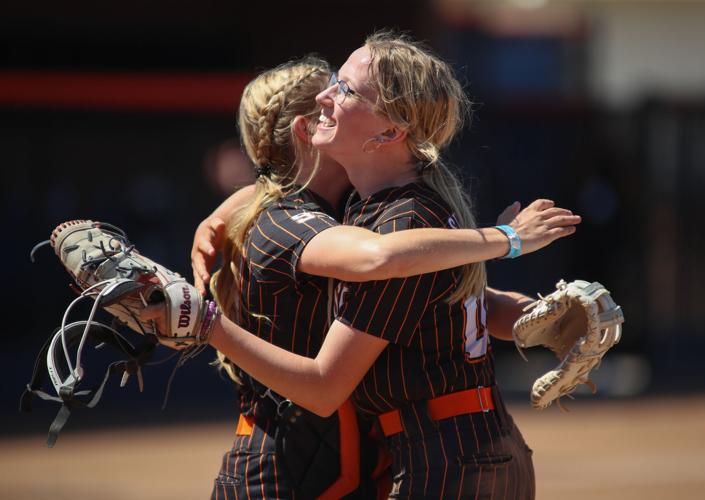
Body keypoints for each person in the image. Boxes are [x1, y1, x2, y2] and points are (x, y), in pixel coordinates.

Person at [167, 38, 579, 499]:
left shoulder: (397, 221)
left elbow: (378, 267)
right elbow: (407, 277)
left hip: (438, 457)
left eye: (344, 89)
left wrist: (206, 324)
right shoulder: (379, 213)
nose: (329, 97)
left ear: (387, 134)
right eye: (331, 88)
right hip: (406, 454)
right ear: (303, 132)